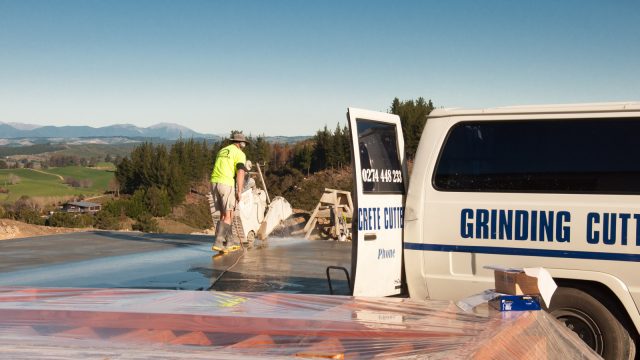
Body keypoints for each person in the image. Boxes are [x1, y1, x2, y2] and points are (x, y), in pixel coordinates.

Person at [210, 132, 249, 252]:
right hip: (226, 184)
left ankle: (229, 242)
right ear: (241, 143)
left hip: (214, 183)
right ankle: (218, 242)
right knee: (228, 215)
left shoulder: (222, 150)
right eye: (244, 144)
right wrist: (239, 190)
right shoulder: (239, 154)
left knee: (225, 214)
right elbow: (241, 172)